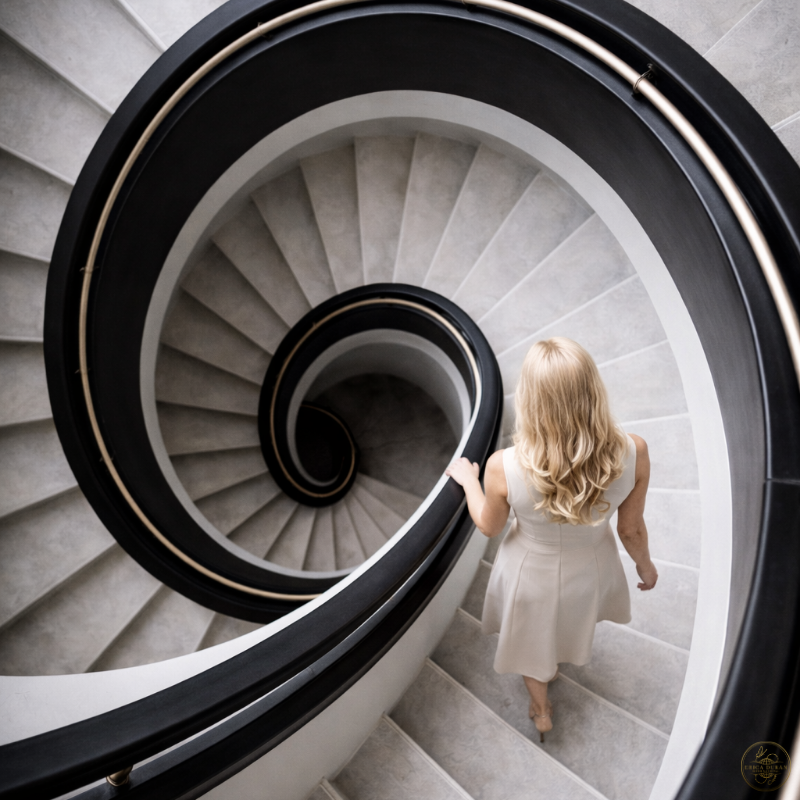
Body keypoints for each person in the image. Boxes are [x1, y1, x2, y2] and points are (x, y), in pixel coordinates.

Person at [446, 337, 657, 742]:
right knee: (566, 623)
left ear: (532, 400)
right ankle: (556, 661)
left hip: (530, 572)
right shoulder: (635, 451)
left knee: (531, 643)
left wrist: (471, 482)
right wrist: (645, 566)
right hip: (592, 564)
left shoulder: (502, 467)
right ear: (593, 389)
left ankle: (541, 710)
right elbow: (630, 529)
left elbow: (488, 526)